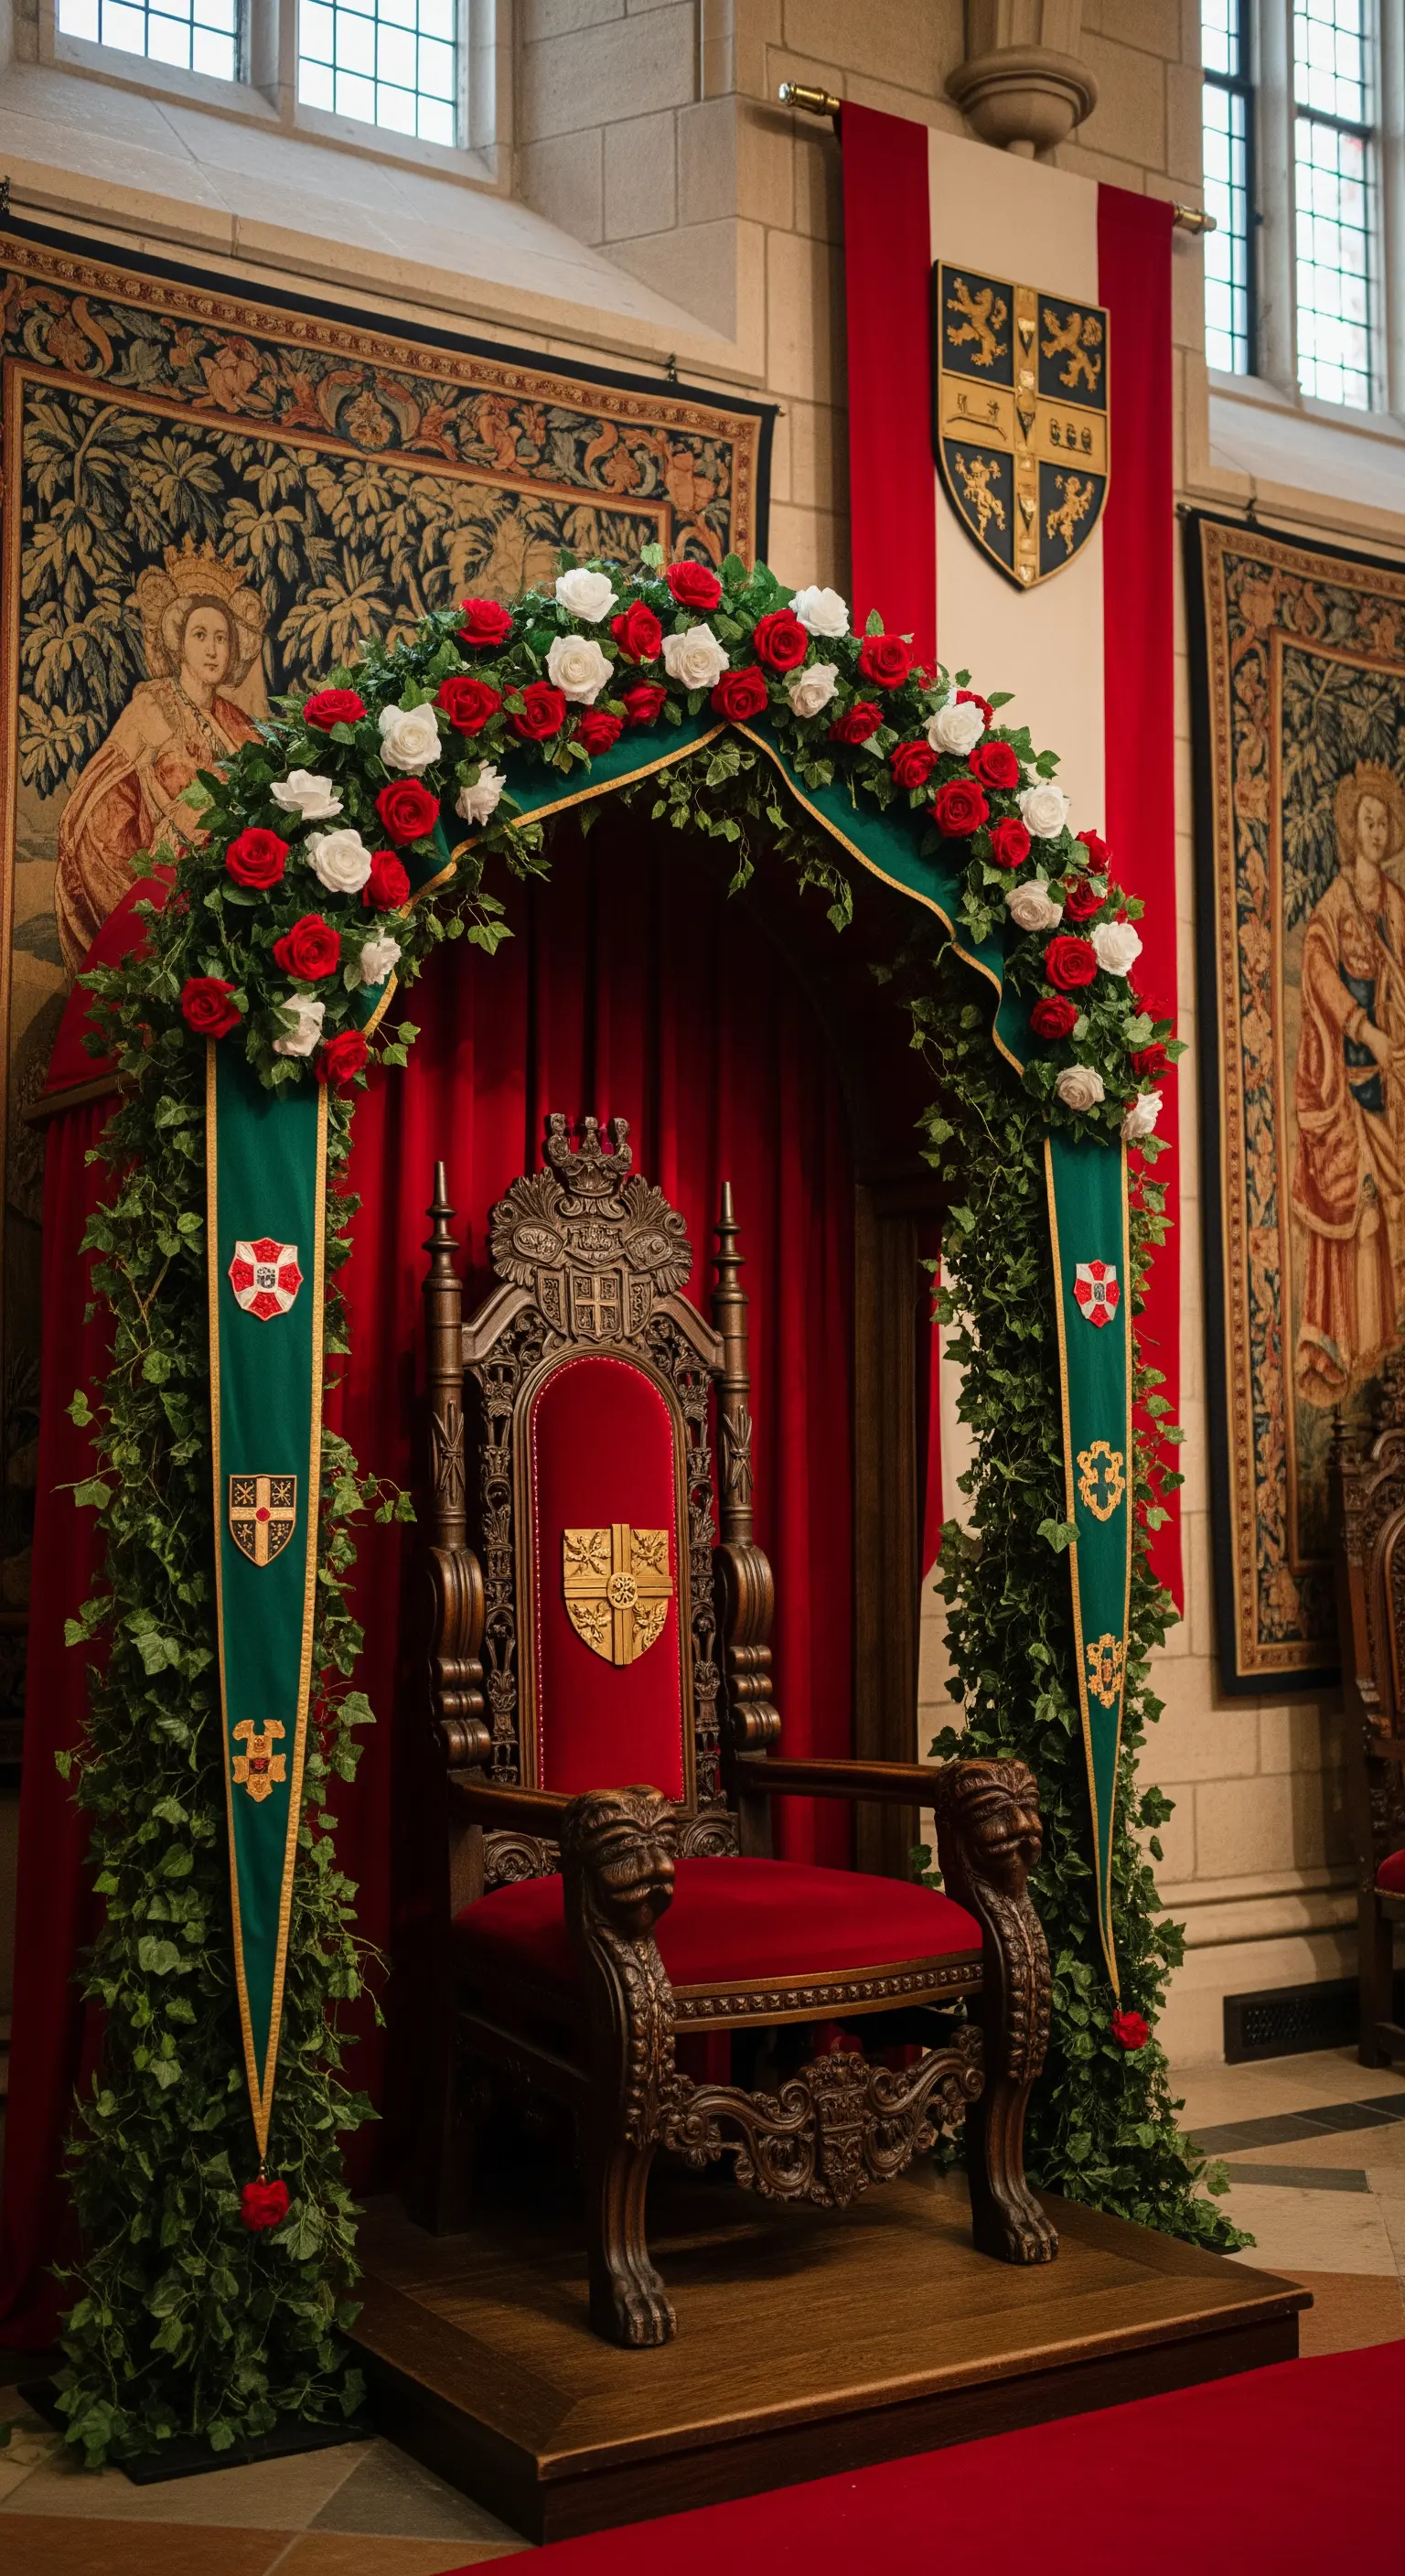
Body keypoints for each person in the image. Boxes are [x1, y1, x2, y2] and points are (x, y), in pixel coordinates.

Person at [53, 537, 266, 979]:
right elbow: (99, 799)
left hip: (234, 899)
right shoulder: (151, 707)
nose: (212, 649)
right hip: (167, 892)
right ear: (179, 643)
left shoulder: (240, 724)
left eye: (222, 638)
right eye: (200, 635)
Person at [1293, 760, 1405, 1404]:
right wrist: (1367, 1030)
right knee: (1361, 1210)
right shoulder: (1335, 904)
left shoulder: (1393, 902)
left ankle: (1386, 1341)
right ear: (1350, 828)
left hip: (1392, 1074)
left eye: (1382, 820)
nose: (1374, 829)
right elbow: (1320, 979)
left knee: (1393, 1210)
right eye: (1365, 819)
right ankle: (1357, 1343)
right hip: (1351, 1077)